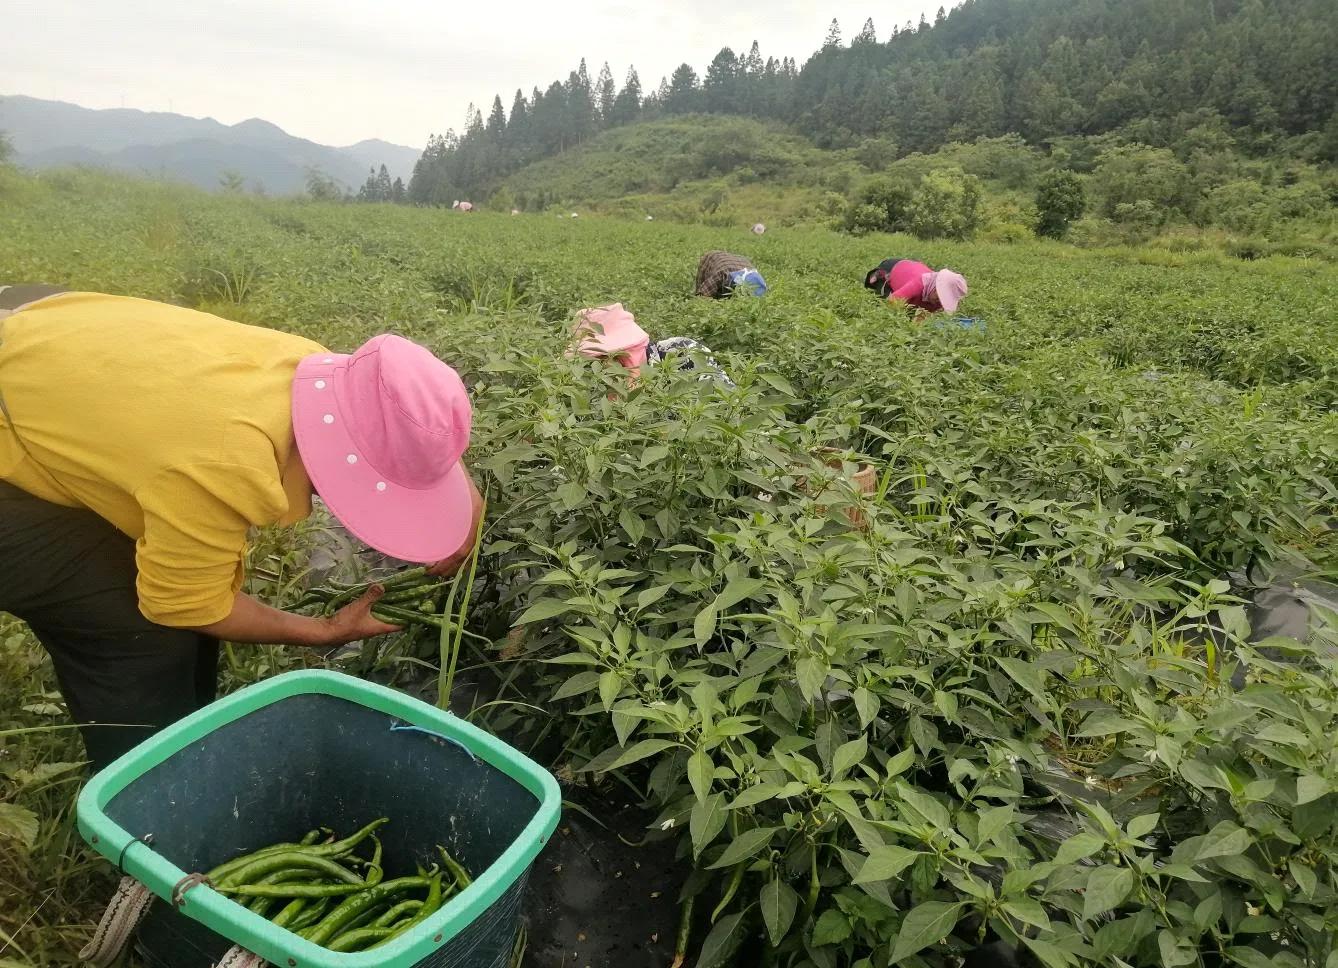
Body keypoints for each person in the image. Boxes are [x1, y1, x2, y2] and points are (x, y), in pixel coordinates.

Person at [0, 285, 484, 771]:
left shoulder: (308, 367)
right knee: (138, 635)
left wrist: (461, 503)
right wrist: (323, 630)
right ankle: (142, 803)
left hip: (40, 342)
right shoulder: (225, 460)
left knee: (176, 600)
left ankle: (186, 738)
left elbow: (406, 413)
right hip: (11, 419)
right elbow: (187, 605)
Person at [571, 303, 734, 387]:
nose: (602, 366)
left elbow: (728, 405)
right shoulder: (588, 381)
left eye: (605, 357)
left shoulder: (684, 353)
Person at [864, 259, 968, 316]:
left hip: (911, 269)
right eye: (939, 295)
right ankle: (878, 274)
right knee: (880, 300)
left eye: (943, 299)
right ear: (935, 286)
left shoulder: (938, 302)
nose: (939, 301)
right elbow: (891, 302)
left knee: (911, 310)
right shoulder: (919, 283)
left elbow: (921, 316)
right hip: (892, 268)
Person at [695, 251, 767, 299]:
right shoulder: (721, 274)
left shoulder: (758, 281)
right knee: (706, 291)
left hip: (740, 262)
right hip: (713, 257)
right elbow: (702, 296)